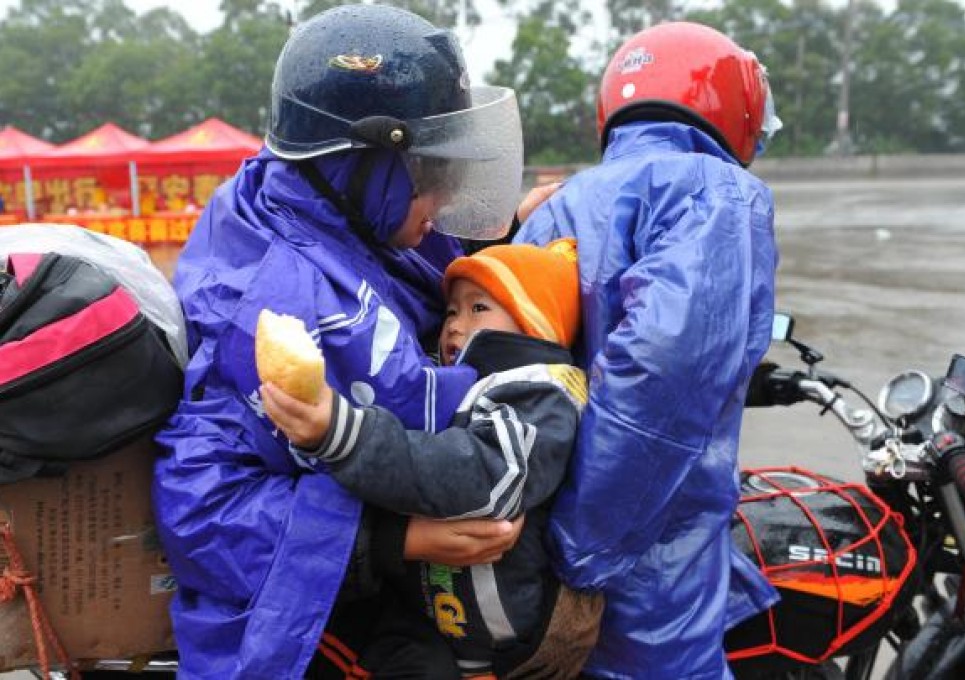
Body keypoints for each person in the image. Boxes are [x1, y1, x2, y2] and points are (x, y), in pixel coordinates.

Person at [151, 5, 530, 679]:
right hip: (297, 615)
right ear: (363, 163)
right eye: (428, 173)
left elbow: (432, 262)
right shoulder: (282, 309)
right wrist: (394, 540)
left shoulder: (310, 199)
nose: (443, 199)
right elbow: (200, 513)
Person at [514, 21, 784, 679]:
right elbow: (661, 380)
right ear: (736, 107)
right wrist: (583, 564)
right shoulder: (713, 192)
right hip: (643, 579)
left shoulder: (557, 205)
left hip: (536, 552)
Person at [262, 238, 600, 678]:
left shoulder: (540, 394)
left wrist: (345, 435)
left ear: (537, 323)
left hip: (502, 648)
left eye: (479, 308)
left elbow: (485, 478)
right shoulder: (454, 384)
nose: (455, 325)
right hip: (445, 628)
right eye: (451, 311)